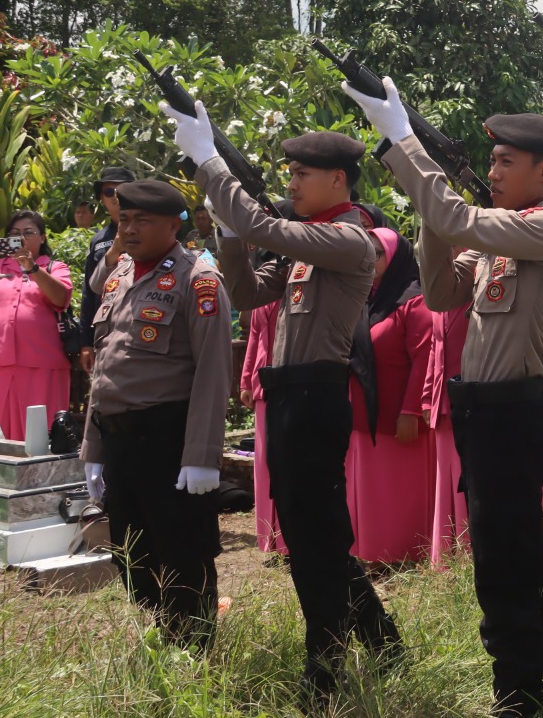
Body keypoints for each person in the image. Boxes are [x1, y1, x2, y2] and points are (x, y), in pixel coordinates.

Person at [343, 76, 543, 718]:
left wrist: (403, 141)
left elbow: (456, 218)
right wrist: (434, 216)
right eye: (490, 161)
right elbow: (444, 290)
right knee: (518, 550)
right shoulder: (503, 233)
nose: (494, 170)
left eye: (506, 161)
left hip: (511, 411)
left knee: (501, 561)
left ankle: (519, 691)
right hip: (483, 411)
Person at [161, 101, 401, 710]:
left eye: (301, 175)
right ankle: (380, 640)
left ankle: (324, 667)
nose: (290, 184)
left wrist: (213, 164)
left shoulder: (349, 238)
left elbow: (269, 230)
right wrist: (228, 226)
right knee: (308, 532)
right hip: (290, 395)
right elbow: (246, 293)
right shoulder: (311, 242)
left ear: (338, 180)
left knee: (314, 536)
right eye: (288, 174)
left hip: (317, 396)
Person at [78, 180, 231, 648]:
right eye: (124, 219)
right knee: (130, 555)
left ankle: (194, 652)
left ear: (174, 224)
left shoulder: (197, 279)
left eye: (142, 220)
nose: (129, 229)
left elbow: (213, 371)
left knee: (182, 554)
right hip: (119, 437)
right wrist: (93, 448)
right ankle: (167, 636)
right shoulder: (119, 274)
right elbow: (105, 364)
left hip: (168, 438)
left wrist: (202, 454)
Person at [344, 227, 436, 565]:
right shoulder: (367, 296)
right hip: (365, 411)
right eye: (365, 253)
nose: (370, 260)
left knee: (399, 488)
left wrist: (411, 410)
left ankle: (404, 553)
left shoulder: (415, 300)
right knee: (369, 488)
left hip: (398, 413)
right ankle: (372, 551)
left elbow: (424, 358)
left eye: (377, 253)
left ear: (396, 258)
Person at [0, 210, 74, 440]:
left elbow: (60, 298)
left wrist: (31, 267)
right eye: (15, 233)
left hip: (42, 366)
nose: (21, 238)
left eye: (28, 233)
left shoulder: (54, 267)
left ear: (42, 237)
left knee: (40, 438)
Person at [425, 295, 471, 566]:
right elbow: (434, 348)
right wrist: (428, 394)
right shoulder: (439, 299)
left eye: (454, 247)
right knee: (445, 482)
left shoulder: (474, 294)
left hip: (468, 400)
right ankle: (443, 555)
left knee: (465, 480)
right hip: (442, 403)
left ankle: (467, 553)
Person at [238, 295, 286, 555]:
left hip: (289, 384)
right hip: (262, 388)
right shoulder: (263, 290)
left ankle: (289, 539)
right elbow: (254, 336)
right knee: (264, 466)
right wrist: (246, 380)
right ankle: (270, 538)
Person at [78, 165, 134, 373]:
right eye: (109, 192)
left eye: (122, 190)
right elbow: (88, 292)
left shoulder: (152, 230)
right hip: (106, 331)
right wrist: (85, 343)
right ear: (102, 198)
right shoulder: (99, 240)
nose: (115, 197)